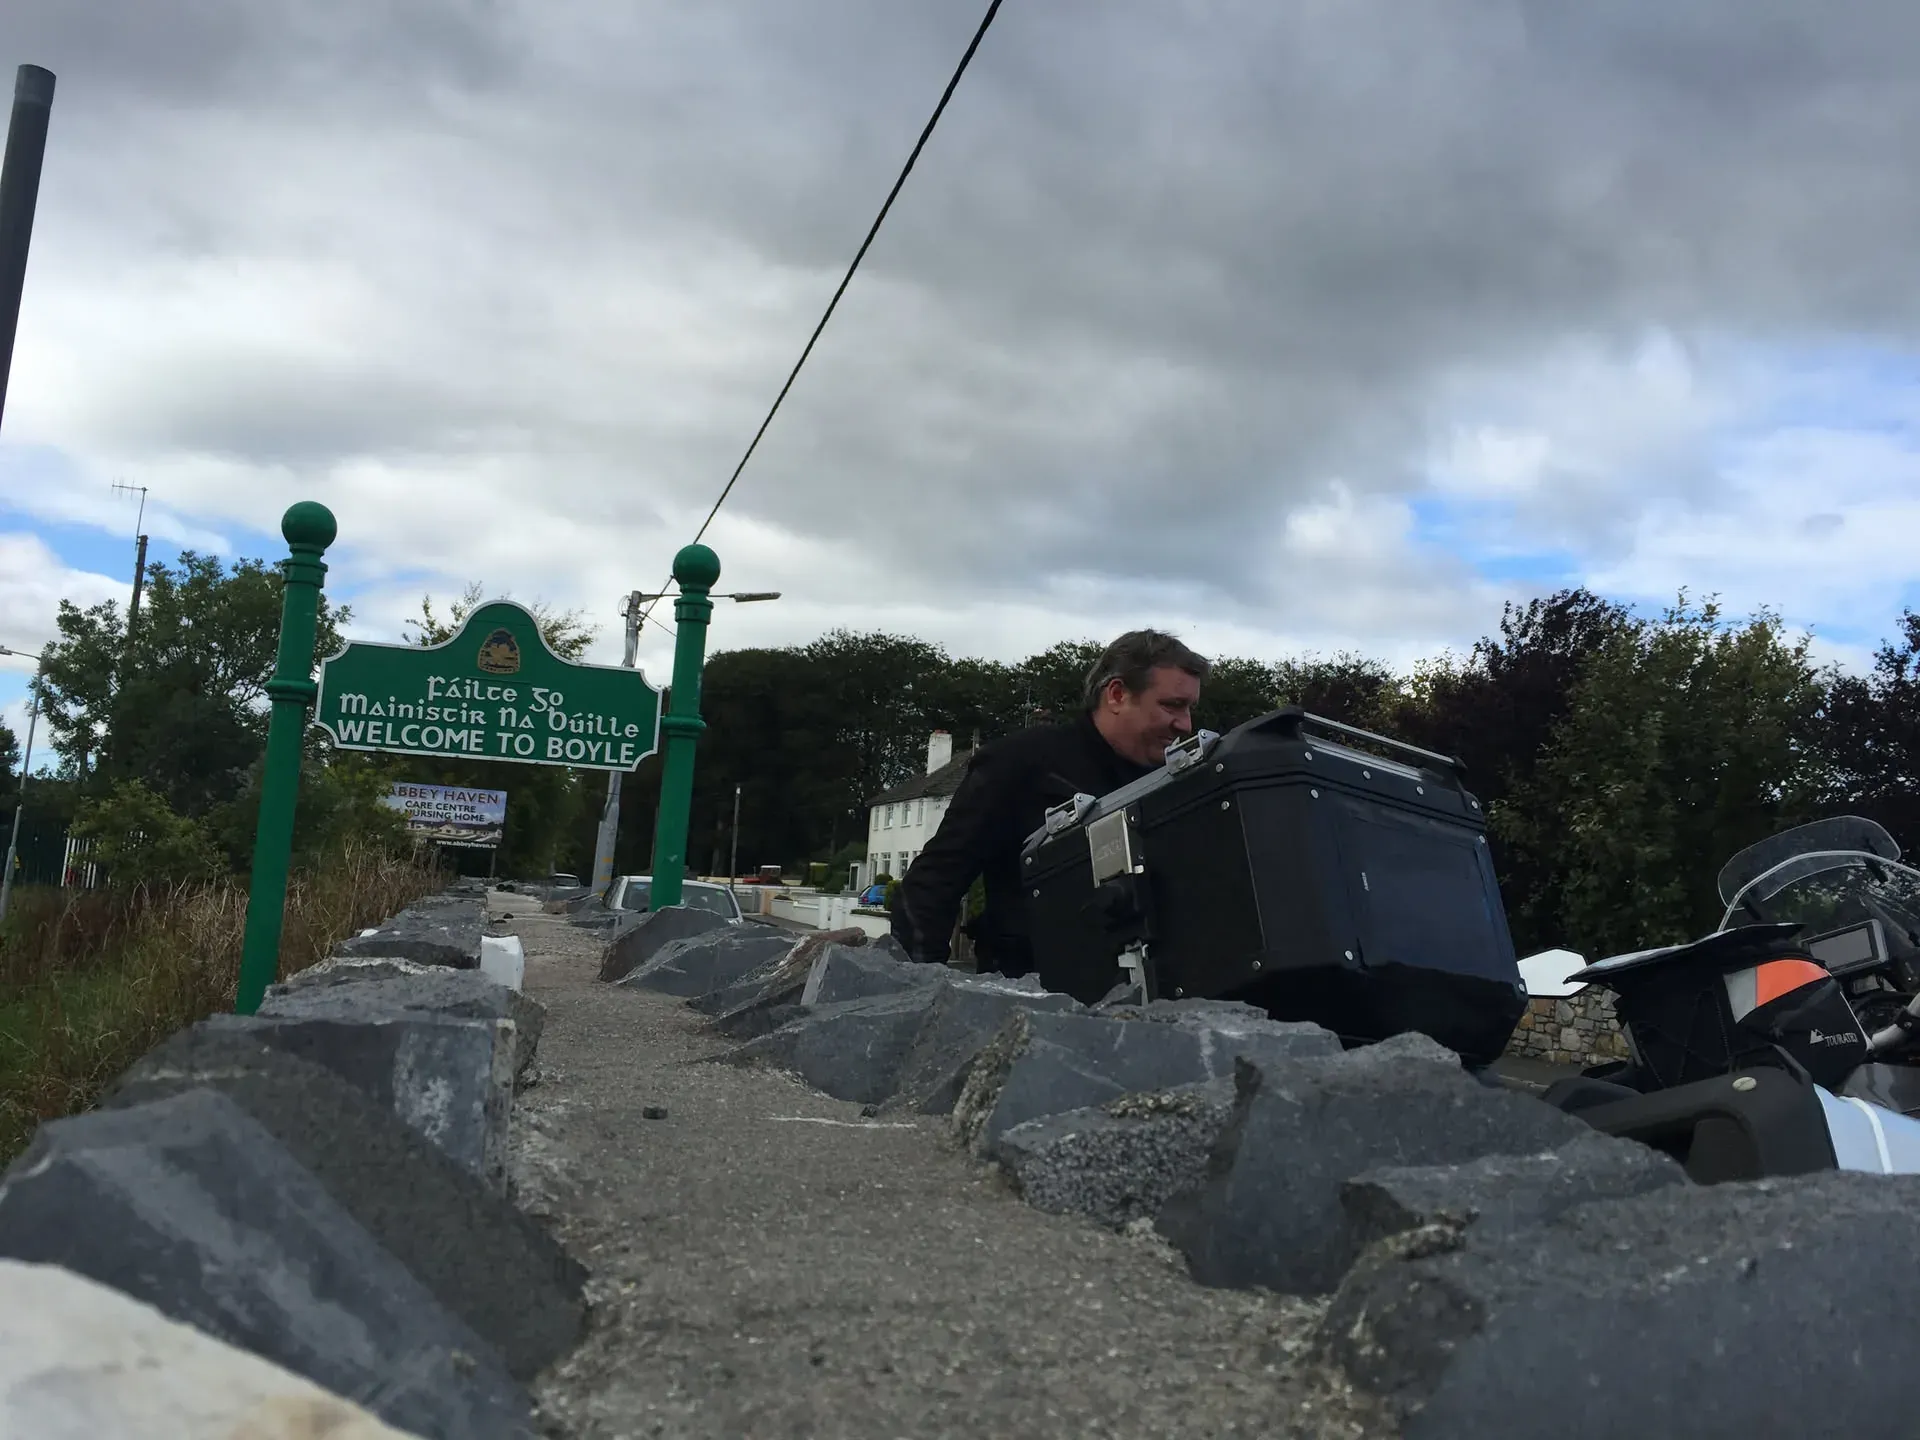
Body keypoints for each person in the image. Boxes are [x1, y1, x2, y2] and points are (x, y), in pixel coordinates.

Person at [891, 629, 1209, 976]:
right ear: (1117, 695)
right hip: (1027, 1001)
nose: (1185, 724)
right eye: (1172, 706)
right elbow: (933, 884)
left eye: (1190, 709)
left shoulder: (1179, 781)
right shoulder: (1019, 763)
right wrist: (921, 994)